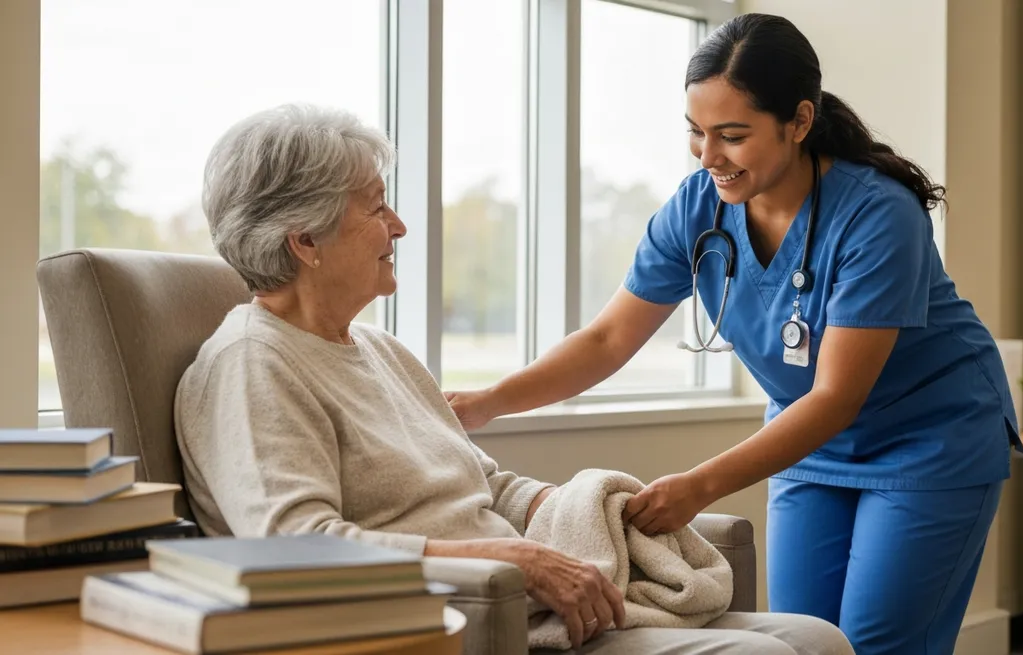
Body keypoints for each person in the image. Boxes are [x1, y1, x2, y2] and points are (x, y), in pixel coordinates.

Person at [174, 103, 853, 655]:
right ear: (305, 241)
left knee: (817, 639)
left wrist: (589, 511)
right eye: (376, 207)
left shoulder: (380, 350)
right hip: (461, 618)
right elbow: (295, 545)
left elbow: (486, 483)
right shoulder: (251, 364)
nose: (399, 225)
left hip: (529, 599)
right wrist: (515, 559)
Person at [445, 12, 1023, 655]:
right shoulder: (697, 207)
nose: (708, 156)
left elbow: (837, 396)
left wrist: (697, 487)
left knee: (879, 646)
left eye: (733, 135)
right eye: (696, 133)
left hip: (927, 438)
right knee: (808, 642)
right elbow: (608, 340)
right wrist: (486, 402)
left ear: (799, 122)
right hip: (808, 445)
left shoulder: (878, 215)